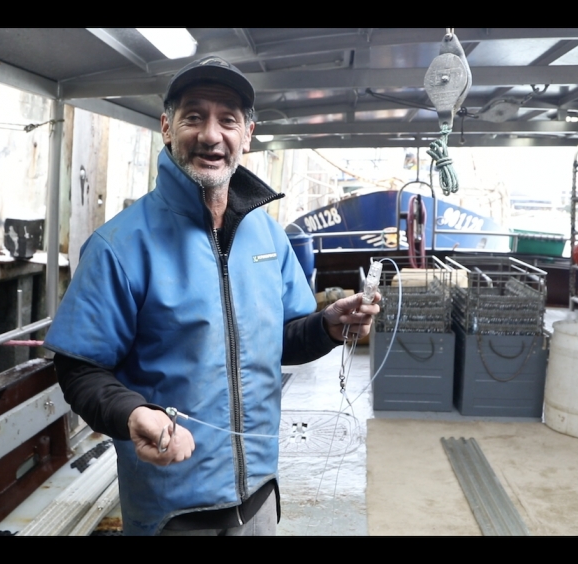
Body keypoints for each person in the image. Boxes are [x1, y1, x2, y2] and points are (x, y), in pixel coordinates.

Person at [44, 56, 380, 536]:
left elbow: (282, 339)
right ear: (166, 127)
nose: (210, 135)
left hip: (260, 495)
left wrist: (328, 325)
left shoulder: (269, 237)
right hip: (172, 510)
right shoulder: (119, 247)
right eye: (193, 116)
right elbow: (80, 367)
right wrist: (132, 413)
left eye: (228, 120)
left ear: (247, 134)